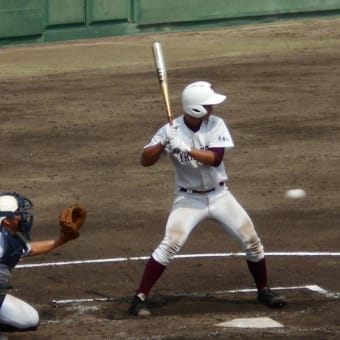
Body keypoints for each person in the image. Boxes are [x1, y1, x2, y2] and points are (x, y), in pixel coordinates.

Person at [129, 81, 287, 316]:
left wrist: (185, 148)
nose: (212, 108)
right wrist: (164, 142)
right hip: (188, 200)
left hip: (220, 196)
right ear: (195, 108)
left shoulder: (216, 124)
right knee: (171, 243)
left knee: (252, 241)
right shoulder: (170, 130)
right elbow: (145, 160)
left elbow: (215, 158)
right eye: (208, 104)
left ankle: (263, 290)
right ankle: (139, 298)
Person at [0, 192, 78, 331]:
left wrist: (61, 240)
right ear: (7, 220)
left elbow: (30, 249)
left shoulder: (6, 236)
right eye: (18, 212)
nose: (23, 216)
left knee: (29, 318)